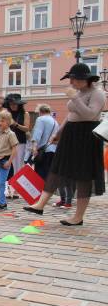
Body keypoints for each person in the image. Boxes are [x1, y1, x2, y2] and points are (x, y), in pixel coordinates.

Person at [24, 63, 106, 225]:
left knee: (84, 176)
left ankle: (78, 217)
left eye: (73, 79)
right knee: (57, 168)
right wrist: (58, 133)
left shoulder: (97, 93)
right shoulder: (79, 92)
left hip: (86, 136)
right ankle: (40, 204)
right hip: (71, 134)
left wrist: (74, 98)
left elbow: (90, 114)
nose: (71, 83)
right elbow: (70, 115)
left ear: (84, 79)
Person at [0, 110, 18, 212]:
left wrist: (9, 162)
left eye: (3, 121)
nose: (0, 123)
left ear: (9, 122)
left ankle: (2, 203)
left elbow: (15, 149)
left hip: (5, 161)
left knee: (2, 183)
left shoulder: (11, 134)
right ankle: (1, 202)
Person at [5, 93, 30, 198]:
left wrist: (15, 124)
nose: (13, 106)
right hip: (7, 142)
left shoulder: (25, 114)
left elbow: (27, 128)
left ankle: (17, 189)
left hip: (20, 141)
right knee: (7, 165)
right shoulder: (6, 113)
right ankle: (7, 188)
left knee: (18, 166)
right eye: (11, 104)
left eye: (15, 104)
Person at [29, 104, 58, 181]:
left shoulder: (40, 119)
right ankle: (46, 191)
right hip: (53, 150)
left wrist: (34, 148)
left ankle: (40, 192)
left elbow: (37, 134)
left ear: (40, 112)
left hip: (43, 152)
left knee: (39, 175)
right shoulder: (55, 122)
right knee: (48, 175)